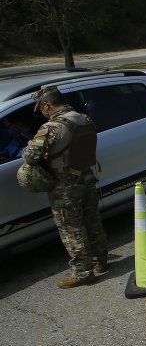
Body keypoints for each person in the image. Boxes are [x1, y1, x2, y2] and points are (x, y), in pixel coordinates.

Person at [22, 86, 108, 289]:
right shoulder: (84, 118)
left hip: (65, 184)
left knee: (71, 228)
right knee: (92, 220)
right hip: (86, 176)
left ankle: (82, 272)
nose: (42, 112)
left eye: (41, 108)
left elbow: (30, 156)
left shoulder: (52, 127)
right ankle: (101, 261)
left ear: (46, 105)